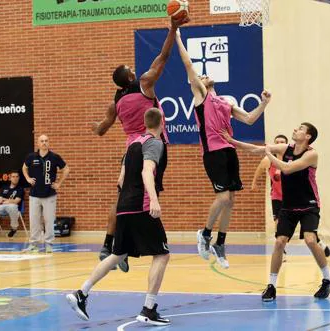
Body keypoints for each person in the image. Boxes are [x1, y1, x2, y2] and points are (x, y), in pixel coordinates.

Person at [90, 16, 188, 273]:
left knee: (123, 197)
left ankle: (109, 245)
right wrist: (174, 29)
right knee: (148, 194)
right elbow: (164, 56)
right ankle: (132, 244)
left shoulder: (116, 102)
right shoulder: (144, 83)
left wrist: (95, 127)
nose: (134, 68)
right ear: (130, 76)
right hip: (148, 145)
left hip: (129, 150)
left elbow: (102, 129)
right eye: (130, 67)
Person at [175, 29, 271, 268]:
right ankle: (205, 233)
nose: (205, 76)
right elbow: (188, 64)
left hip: (229, 151)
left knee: (231, 201)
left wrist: (265, 103)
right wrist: (176, 35)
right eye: (202, 75)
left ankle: (220, 242)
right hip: (213, 153)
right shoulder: (201, 96)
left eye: (206, 75)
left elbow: (249, 118)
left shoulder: (226, 102)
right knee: (223, 196)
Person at [66, 108, 171, 326]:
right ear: (162, 122)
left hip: (123, 206)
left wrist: (126, 201)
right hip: (140, 206)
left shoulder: (133, 143)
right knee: (162, 254)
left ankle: (81, 293)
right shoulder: (154, 143)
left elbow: (121, 179)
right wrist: (153, 199)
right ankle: (148, 309)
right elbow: (146, 171)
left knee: (118, 254)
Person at [222, 123, 330, 300]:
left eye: (300, 129)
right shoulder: (285, 148)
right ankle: (271, 286)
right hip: (288, 206)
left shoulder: (311, 154)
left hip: (309, 205)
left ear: (307, 137)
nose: (295, 130)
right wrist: (231, 141)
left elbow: (288, 168)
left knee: (310, 239)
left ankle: (328, 279)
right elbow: (254, 149)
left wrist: (269, 155)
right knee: (279, 242)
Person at [252, 134, 330, 259]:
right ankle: (281, 251)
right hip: (277, 197)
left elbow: (292, 170)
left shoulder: (291, 159)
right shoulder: (268, 160)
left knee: (308, 231)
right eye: (276, 141)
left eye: (281, 142)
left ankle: (319, 243)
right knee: (278, 223)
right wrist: (254, 182)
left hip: (295, 198)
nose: (278, 143)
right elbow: (260, 168)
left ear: (286, 144)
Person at [22, 135, 69, 253]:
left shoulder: (54, 157)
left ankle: (49, 244)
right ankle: (34, 244)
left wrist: (59, 183)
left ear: (49, 143)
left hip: (50, 195)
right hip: (34, 195)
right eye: (42, 141)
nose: (44, 143)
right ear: (38, 143)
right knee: (34, 221)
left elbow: (66, 169)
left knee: (49, 220)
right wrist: (27, 178)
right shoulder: (31, 157)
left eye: (46, 141)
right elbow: (24, 168)